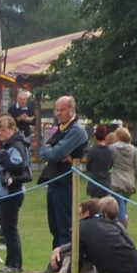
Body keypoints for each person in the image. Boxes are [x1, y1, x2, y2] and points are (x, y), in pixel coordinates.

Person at [38, 96, 86, 254]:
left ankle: (66, 264)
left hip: (66, 182)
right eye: (57, 110)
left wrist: (52, 151)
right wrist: (51, 151)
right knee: (54, 227)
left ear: (72, 110)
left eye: (62, 110)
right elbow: (43, 151)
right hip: (53, 180)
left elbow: (56, 152)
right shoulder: (60, 128)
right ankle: (55, 262)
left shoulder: (76, 130)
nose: (59, 113)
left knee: (65, 226)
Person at [75, 196, 137, 273]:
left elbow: (77, 255)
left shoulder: (82, 228)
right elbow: (131, 245)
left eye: (79, 214)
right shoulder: (115, 225)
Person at [0, 112, 27, 273]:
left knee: (10, 229)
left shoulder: (16, 145)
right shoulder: (6, 145)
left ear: (12, 129)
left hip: (11, 192)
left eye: (2, 130)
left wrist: (6, 161)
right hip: (2, 193)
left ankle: (15, 264)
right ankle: (12, 262)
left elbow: (19, 166)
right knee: (7, 228)